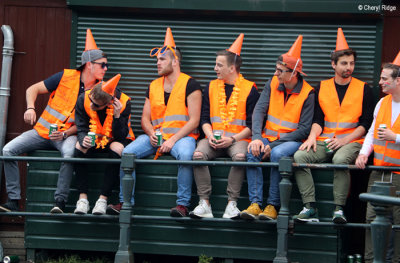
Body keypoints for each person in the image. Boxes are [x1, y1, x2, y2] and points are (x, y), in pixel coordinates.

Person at [0, 29, 108, 213]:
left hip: (67, 135)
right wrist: (30, 108)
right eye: (103, 65)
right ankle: (13, 200)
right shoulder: (64, 76)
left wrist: (65, 133)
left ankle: (60, 201)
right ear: (89, 65)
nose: (106, 69)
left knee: (69, 154)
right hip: (42, 131)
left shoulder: (99, 90)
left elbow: (87, 124)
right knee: (8, 150)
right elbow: (31, 90)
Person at [106, 27, 202, 217]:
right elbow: (144, 119)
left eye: (162, 59)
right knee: (128, 153)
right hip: (156, 136)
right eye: (157, 59)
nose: (157, 63)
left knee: (186, 154)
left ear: (175, 62)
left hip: (182, 137)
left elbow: (194, 120)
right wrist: (151, 133)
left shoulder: (191, 84)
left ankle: (182, 205)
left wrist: (172, 140)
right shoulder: (153, 85)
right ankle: (126, 203)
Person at [293, 28, 374, 223]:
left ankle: (338, 209)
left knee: (340, 160)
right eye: (344, 63)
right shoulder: (322, 87)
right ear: (333, 64)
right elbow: (318, 120)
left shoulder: (364, 89)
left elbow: (366, 123)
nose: (349, 67)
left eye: (352, 63)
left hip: (353, 140)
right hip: (325, 139)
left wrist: (345, 140)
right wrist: (312, 137)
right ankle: (310, 206)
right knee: (299, 156)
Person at [240, 35, 315, 220]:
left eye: (280, 71)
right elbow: (259, 110)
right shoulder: (273, 83)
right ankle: (255, 204)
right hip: (268, 137)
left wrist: (272, 145)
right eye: (276, 69)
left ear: (294, 73)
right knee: (252, 151)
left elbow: (304, 129)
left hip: (291, 141)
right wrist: (257, 137)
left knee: (277, 155)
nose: (276, 74)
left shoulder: (308, 93)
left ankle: (272, 206)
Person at [189, 34, 259, 219]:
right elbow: (204, 118)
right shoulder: (210, 87)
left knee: (240, 156)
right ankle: (204, 203)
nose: (215, 68)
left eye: (219, 65)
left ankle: (232, 204)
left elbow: (253, 125)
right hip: (213, 137)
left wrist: (233, 139)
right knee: (197, 154)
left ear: (232, 67)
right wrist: (209, 135)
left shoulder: (250, 88)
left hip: (238, 139)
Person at [355, 51, 400, 263]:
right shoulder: (382, 103)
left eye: (384, 78)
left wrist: (395, 137)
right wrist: (364, 154)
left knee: (398, 224)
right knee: (372, 219)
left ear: (397, 80)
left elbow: (389, 136)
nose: (379, 82)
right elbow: (372, 132)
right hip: (379, 172)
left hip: (399, 174)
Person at [73, 74, 135, 215]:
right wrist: (83, 139)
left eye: (95, 105)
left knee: (118, 149)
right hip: (94, 137)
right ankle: (82, 199)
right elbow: (81, 127)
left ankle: (102, 200)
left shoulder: (124, 102)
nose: (91, 105)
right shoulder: (83, 98)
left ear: (108, 103)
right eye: (91, 101)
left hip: (115, 138)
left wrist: (118, 116)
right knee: (79, 147)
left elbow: (121, 135)